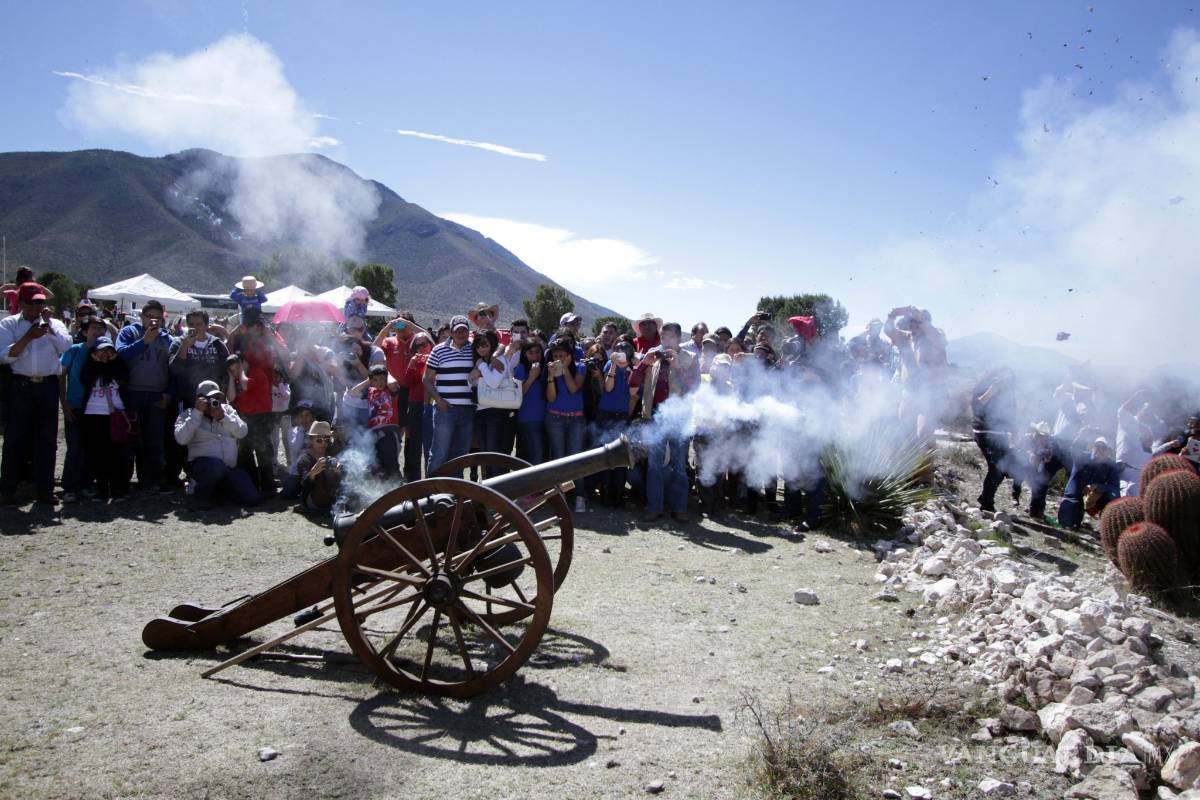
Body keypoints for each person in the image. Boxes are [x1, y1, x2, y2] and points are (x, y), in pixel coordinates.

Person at [0, 283, 73, 505]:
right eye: (33, 302)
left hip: (47, 386)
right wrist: (29, 337)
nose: (38, 306)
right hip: (21, 386)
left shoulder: (55, 323)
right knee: (15, 439)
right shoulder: (9, 324)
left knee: (47, 440)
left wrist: (48, 328)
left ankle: (44, 490)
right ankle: (8, 490)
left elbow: (65, 346)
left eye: (41, 302)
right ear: (21, 303)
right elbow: (5, 355)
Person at [115, 300, 175, 493]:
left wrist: (169, 393)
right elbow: (120, 355)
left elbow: (175, 368)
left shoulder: (168, 339)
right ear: (142, 317)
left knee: (154, 440)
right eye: (150, 317)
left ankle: (152, 480)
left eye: (158, 318)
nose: (154, 321)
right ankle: (123, 483)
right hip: (132, 393)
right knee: (129, 439)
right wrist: (144, 342)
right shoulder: (129, 332)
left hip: (158, 394)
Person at [173, 379, 258, 509]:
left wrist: (223, 417)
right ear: (199, 399)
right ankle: (199, 495)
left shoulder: (227, 410)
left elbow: (242, 432)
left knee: (251, 498)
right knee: (215, 467)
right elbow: (181, 439)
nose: (214, 401)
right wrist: (197, 414)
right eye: (210, 398)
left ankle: (218, 492)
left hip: (228, 467)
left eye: (217, 397)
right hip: (203, 466)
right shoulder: (188, 414)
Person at [58, 316, 108, 502]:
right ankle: (69, 487)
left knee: (91, 448)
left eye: (100, 328)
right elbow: (61, 376)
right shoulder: (74, 350)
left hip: (97, 409)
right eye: (93, 328)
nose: (97, 332)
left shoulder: (106, 353)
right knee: (74, 448)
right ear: (85, 332)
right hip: (76, 405)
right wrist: (64, 403)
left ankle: (86, 483)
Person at [79, 336, 134, 502]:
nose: (105, 354)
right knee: (97, 455)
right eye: (101, 350)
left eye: (108, 350)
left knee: (117, 455)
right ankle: (102, 490)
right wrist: (97, 363)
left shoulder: (119, 367)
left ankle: (118, 490)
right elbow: (86, 380)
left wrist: (111, 362)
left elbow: (123, 378)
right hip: (93, 415)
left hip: (115, 415)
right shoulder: (89, 367)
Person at [424, 315, 476, 472]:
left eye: (464, 330)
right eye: (458, 330)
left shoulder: (474, 349)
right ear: (452, 332)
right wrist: (438, 400)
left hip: (468, 410)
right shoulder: (438, 350)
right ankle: (430, 493)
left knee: (460, 456)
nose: (461, 333)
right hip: (445, 410)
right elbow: (426, 379)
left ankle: (454, 494)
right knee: (439, 453)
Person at [544, 337, 587, 511]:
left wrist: (567, 368)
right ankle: (559, 497)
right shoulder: (551, 369)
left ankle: (579, 496)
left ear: (569, 354)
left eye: (561, 354)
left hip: (576, 418)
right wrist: (550, 377)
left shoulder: (581, 367)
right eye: (555, 354)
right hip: (555, 418)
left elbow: (573, 388)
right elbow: (551, 398)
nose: (558, 357)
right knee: (558, 458)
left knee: (576, 458)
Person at [592, 339, 635, 505]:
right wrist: (615, 366)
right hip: (606, 414)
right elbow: (608, 387)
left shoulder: (634, 368)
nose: (621, 352)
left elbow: (634, 394)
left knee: (621, 456)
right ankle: (605, 494)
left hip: (622, 416)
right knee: (605, 454)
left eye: (625, 350)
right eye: (618, 349)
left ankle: (617, 495)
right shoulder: (610, 364)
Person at [971, 369, 1018, 513]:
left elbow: (1011, 413)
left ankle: (986, 498)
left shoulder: (1008, 392)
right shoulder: (984, 386)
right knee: (996, 468)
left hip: (1001, 434)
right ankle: (986, 502)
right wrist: (993, 388)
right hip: (985, 433)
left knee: (1004, 468)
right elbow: (977, 406)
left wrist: (1015, 431)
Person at [1058, 437, 1121, 530]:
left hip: (1093, 499)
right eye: (1097, 446)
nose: (1099, 449)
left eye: (1103, 448)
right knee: (1067, 524)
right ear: (1093, 447)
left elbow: (1115, 488)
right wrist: (1082, 435)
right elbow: (1074, 449)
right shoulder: (1082, 457)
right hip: (1074, 497)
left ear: (1108, 451)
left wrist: (1097, 487)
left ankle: (1105, 528)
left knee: (1112, 497)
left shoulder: (1111, 466)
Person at [468, 329, 509, 472]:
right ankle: (489, 488)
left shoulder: (500, 360)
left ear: (491, 344)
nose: (481, 348)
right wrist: (478, 370)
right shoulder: (481, 362)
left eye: (484, 344)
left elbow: (493, 383)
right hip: (480, 412)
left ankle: (497, 489)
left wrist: (480, 367)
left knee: (493, 454)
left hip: (496, 412)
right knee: (485, 454)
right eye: (477, 345)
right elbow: (470, 384)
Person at [352, 364, 404, 476]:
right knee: (377, 466)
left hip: (389, 431)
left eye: (382, 379)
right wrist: (368, 380)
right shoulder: (370, 391)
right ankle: (383, 490)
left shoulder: (390, 390)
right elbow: (354, 392)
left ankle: (398, 487)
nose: (379, 382)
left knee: (392, 465)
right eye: (375, 380)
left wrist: (387, 373)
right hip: (373, 433)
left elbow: (394, 385)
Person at [402, 333, 434, 481]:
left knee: (432, 446)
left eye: (424, 344)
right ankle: (413, 482)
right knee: (414, 446)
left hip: (433, 404)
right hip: (415, 405)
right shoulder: (413, 361)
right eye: (418, 346)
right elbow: (407, 384)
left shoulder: (437, 357)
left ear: (430, 344)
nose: (422, 348)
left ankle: (432, 479)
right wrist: (411, 366)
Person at [295, 420, 344, 514]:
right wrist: (312, 474)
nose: (323, 444)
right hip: (315, 500)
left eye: (326, 440)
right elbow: (304, 486)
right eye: (319, 440)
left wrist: (339, 471)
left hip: (333, 498)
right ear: (311, 440)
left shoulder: (331, 454)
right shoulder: (305, 459)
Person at [1115, 389, 1157, 496]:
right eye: (1146, 409)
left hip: (1138, 473)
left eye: (1150, 411)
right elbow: (1121, 411)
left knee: (1133, 503)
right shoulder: (1130, 420)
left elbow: (1149, 450)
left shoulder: (1148, 430)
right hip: (1122, 468)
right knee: (1120, 501)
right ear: (1139, 409)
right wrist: (1137, 396)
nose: (1147, 412)